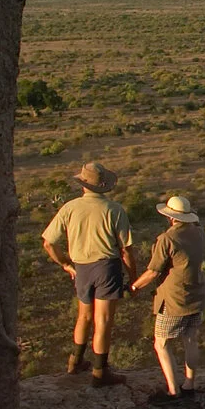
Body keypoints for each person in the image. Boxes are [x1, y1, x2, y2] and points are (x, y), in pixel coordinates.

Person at [40, 161, 134, 384]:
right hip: (107, 268)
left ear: (83, 184)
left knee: (83, 316)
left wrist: (65, 264)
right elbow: (126, 250)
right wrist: (133, 276)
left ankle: (75, 362)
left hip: (81, 268)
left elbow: (48, 243)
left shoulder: (69, 208)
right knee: (103, 320)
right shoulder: (114, 210)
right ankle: (100, 372)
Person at [130, 192, 205, 400]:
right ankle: (189, 384)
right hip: (197, 293)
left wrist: (134, 287)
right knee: (191, 339)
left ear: (170, 217)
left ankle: (173, 391)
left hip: (174, 298)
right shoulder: (199, 233)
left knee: (161, 343)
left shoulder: (167, 239)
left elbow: (153, 271)